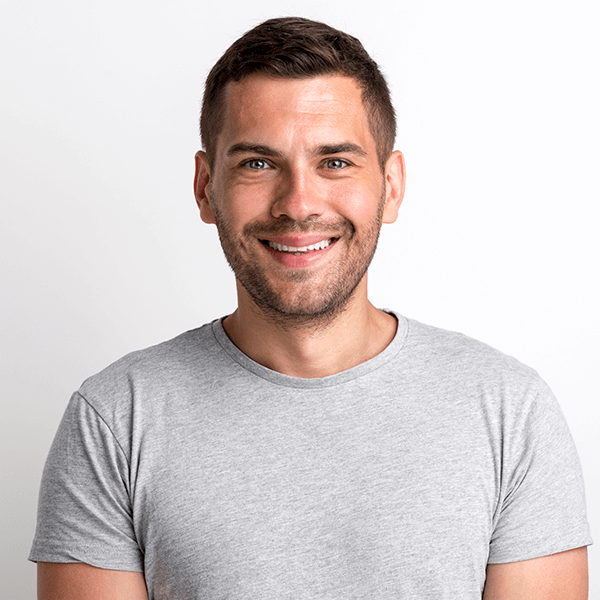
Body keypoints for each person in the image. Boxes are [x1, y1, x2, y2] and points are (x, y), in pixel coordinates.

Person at [30, 16, 592, 599]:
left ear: (391, 186)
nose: (298, 204)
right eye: (257, 163)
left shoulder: (509, 413)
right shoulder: (115, 420)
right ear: (205, 188)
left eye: (335, 162)